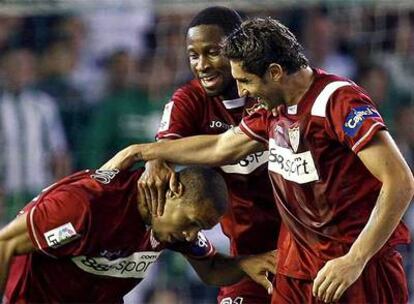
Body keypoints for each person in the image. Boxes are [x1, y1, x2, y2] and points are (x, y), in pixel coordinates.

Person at [101, 17, 414, 304]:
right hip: (297, 265)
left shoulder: (337, 100)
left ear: (275, 72)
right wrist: (142, 152)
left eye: (246, 81)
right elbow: (222, 147)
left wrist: (355, 259)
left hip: (357, 267)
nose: (241, 91)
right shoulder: (272, 110)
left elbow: (400, 181)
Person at [138, 7, 281, 304]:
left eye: (213, 52)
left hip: (303, 239)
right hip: (248, 249)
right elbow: (162, 150)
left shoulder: (272, 91)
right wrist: (154, 160)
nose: (202, 65)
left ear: (239, 48)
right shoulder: (189, 100)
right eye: (194, 55)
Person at [1, 166, 276, 303]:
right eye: (192, 223)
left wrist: (246, 264)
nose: (191, 235)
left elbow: (211, 269)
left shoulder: (173, 227)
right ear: (174, 191)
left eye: (200, 229)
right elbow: (5, 243)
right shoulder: (85, 205)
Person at [0, 48, 71, 221]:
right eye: (14, 67)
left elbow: (59, 153)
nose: (19, 72)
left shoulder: (44, 105)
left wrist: (59, 193)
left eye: (24, 68)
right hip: (6, 191)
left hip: (38, 189)